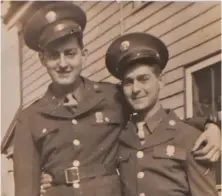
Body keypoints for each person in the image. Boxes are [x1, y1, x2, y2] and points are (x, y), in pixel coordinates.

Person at [14, 2, 220, 196]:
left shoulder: (112, 96)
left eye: (70, 53)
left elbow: (157, 118)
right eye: (53, 56)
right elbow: (25, 190)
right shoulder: (30, 118)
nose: (63, 63)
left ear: (83, 55)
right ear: (42, 60)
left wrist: (211, 125)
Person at [105, 32, 218, 196]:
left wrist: (213, 126)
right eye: (129, 82)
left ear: (161, 80)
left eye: (144, 79)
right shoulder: (120, 137)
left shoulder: (190, 137)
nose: (136, 89)